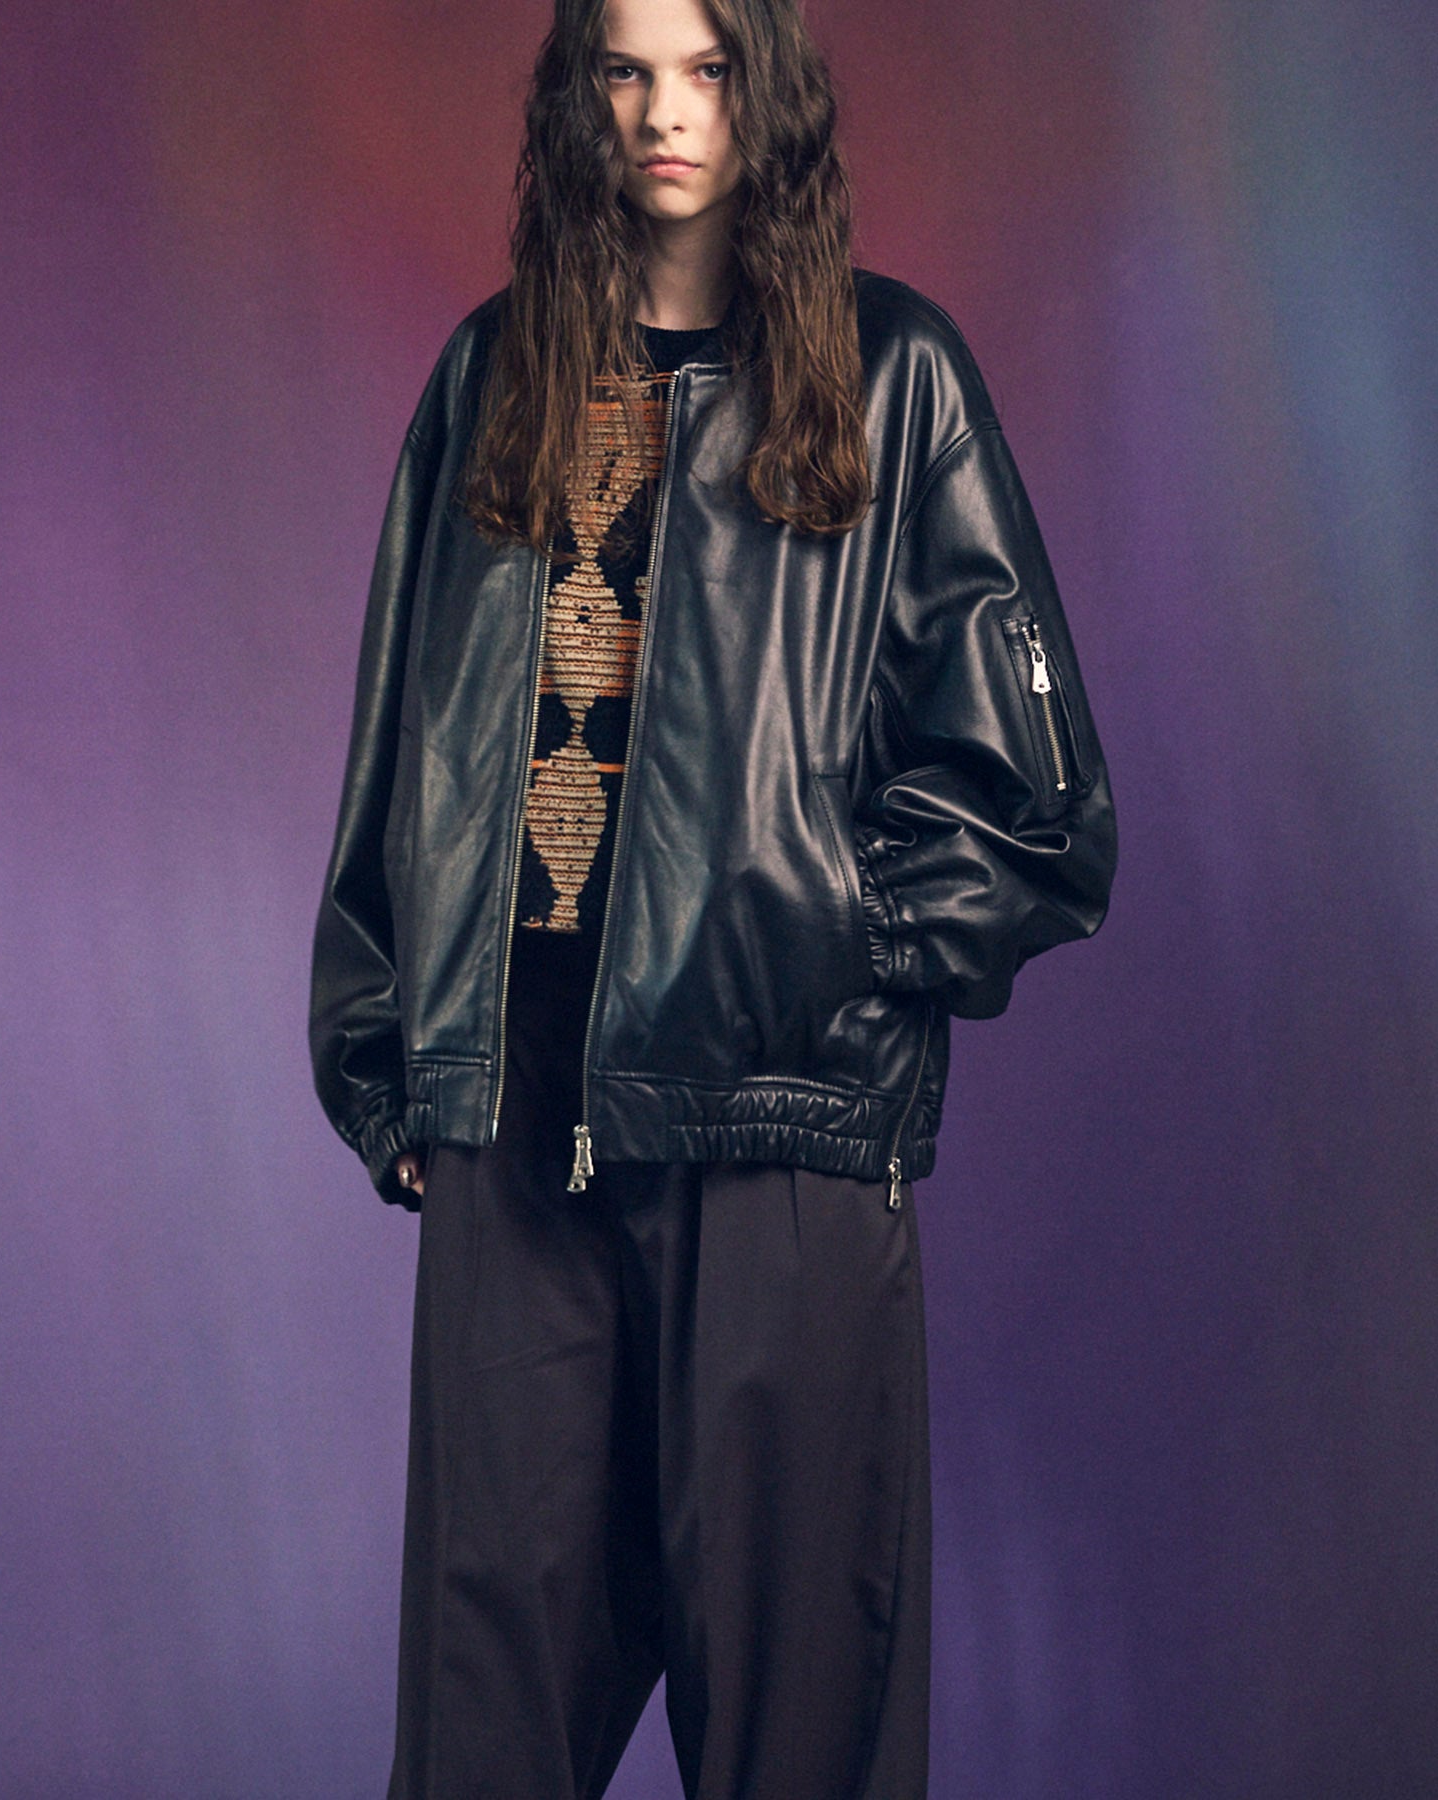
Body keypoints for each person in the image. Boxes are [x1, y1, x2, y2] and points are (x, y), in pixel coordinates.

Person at [309, 0, 1118, 1793]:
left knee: (797, 1734)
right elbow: (402, 751)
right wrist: (393, 1066)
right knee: (482, 1735)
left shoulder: (894, 374)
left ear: (771, 90)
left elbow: (1041, 808)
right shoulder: (493, 376)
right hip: (516, 1137)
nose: (666, 113)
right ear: (577, 96)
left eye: (708, 69)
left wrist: (820, 943)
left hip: (782, 1139)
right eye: (625, 68)